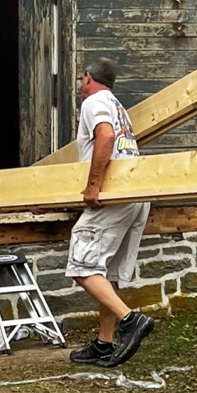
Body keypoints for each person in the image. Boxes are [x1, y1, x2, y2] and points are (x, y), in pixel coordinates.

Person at [65, 57, 154, 367]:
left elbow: (105, 137)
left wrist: (92, 187)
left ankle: (130, 320)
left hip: (112, 196)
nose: (80, 85)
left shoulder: (95, 102)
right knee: (107, 273)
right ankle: (104, 343)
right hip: (135, 195)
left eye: (81, 79)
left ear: (88, 79)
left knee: (81, 265)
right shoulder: (118, 106)